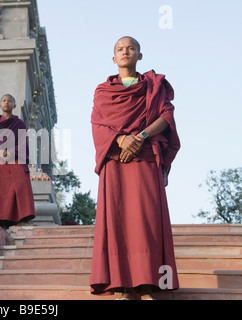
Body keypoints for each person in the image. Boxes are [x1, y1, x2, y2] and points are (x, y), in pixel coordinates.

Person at [90, 36, 181, 300]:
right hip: (116, 159)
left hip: (145, 157)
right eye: (120, 49)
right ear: (114, 58)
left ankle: (149, 284)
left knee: (148, 219)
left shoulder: (153, 86)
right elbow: (98, 122)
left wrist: (139, 137)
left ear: (139, 55)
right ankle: (125, 287)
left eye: (131, 48)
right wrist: (120, 139)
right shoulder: (104, 90)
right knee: (118, 220)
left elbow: (166, 116)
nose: (125, 52)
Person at [0, 94, 35, 228]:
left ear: (14, 105)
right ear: (0, 105)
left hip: (14, 158)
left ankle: (22, 218)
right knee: (0, 189)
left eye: (10, 101)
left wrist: (9, 151)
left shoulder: (19, 123)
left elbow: (23, 143)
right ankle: (2, 220)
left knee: (21, 184)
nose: (6, 103)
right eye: (4, 101)